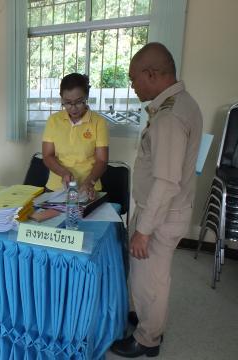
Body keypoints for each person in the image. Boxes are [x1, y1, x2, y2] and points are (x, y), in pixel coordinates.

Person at [111, 42, 203, 358]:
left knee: (152, 279)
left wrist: (144, 229)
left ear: (151, 74)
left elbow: (166, 182)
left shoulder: (170, 116)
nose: (132, 85)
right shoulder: (180, 104)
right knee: (144, 275)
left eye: (134, 78)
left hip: (162, 215)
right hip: (162, 209)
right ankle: (144, 321)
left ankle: (148, 339)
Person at [42, 73, 109, 198]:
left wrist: (89, 182)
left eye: (79, 102)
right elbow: (47, 155)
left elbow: (102, 160)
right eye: (67, 103)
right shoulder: (53, 120)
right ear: (61, 98)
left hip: (88, 188)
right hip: (56, 188)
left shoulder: (98, 122)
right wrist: (63, 173)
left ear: (86, 97)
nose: (73, 108)